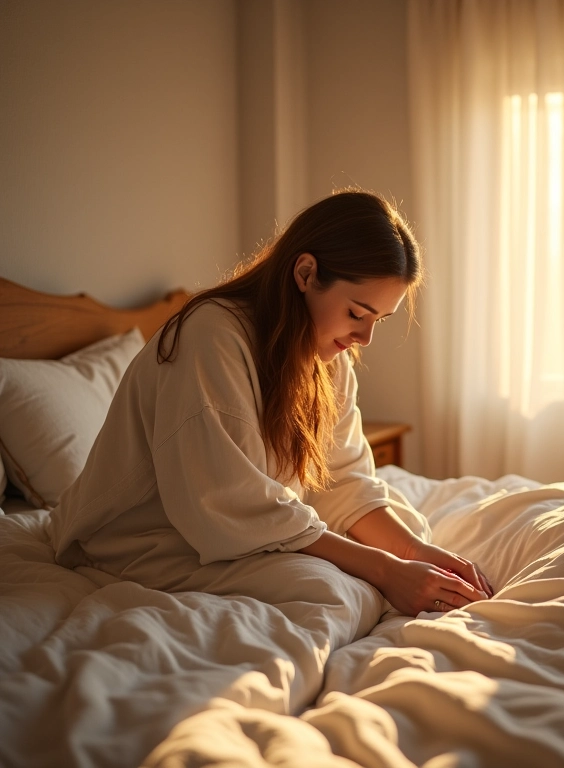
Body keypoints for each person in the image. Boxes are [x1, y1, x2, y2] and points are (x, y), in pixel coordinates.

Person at [47, 190, 492, 623]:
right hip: (146, 539)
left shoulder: (326, 358)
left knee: (405, 531)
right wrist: (384, 569)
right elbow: (231, 504)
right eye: (357, 314)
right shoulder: (209, 338)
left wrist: (413, 553)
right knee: (338, 589)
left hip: (236, 526)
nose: (365, 338)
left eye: (378, 320)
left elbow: (344, 480)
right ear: (305, 273)